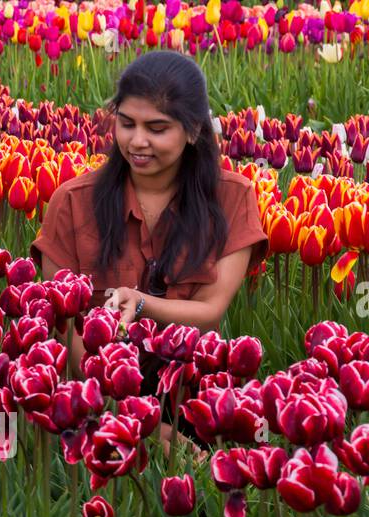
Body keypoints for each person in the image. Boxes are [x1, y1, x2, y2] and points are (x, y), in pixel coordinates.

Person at [31, 50, 268, 357]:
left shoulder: (232, 198)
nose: (137, 141)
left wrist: (141, 303)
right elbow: (65, 323)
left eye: (157, 129)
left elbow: (210, 309)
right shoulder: (73, 202)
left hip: (191, 389)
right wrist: (102, 391)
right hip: (97, 387)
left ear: (194, 129)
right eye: (127, 124)